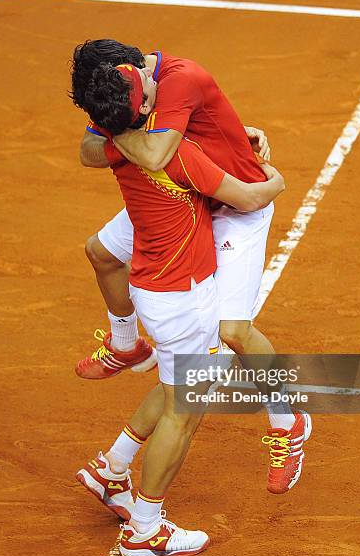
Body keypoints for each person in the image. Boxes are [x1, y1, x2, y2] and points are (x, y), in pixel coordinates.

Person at [71, 40, 312, 496]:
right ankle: (126, 346)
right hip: (184, 197)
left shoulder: (177, 81)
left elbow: (159, 154)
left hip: (236, 202)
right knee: (101, 253)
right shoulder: (125, 94)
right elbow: (87, 149)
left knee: (232, 332)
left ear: (128, 72)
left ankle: (289, 417)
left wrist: (118, 131)